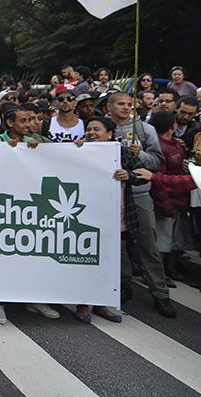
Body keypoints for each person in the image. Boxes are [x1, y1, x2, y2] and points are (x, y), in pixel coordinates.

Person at [104, 92, 175, 317]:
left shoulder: (145, 129)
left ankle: (160, 293)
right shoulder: (99, 126)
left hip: (139, 193)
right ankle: (122, 285)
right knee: (115, 244)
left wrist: (140, 155)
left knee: (148, 243)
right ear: (110, 106)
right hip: (107, 195)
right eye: (121, 104)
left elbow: (158, 162)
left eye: (129, 105)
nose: (126, 108)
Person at [72, 117, 131, 324]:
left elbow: (142, 172)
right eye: (88, 129)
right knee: (86, 259)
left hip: (116, 215)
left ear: (110, 133)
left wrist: (128, 174)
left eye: (97, 129)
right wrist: (77, 148)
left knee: (109, 260)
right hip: (88, 215)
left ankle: (101, 303)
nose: (91, 133)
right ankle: (83, 304)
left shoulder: (122, 152)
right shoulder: (79, 150)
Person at [136, 111, 195, 285]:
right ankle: (155, 275)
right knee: (161, 242)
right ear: (173, 126)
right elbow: (157, 180)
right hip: (167, 201)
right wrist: (166, 204)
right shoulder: (161, 148)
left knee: (173, 239)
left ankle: (170, 268)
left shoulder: (177, 144)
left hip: (179, 200)